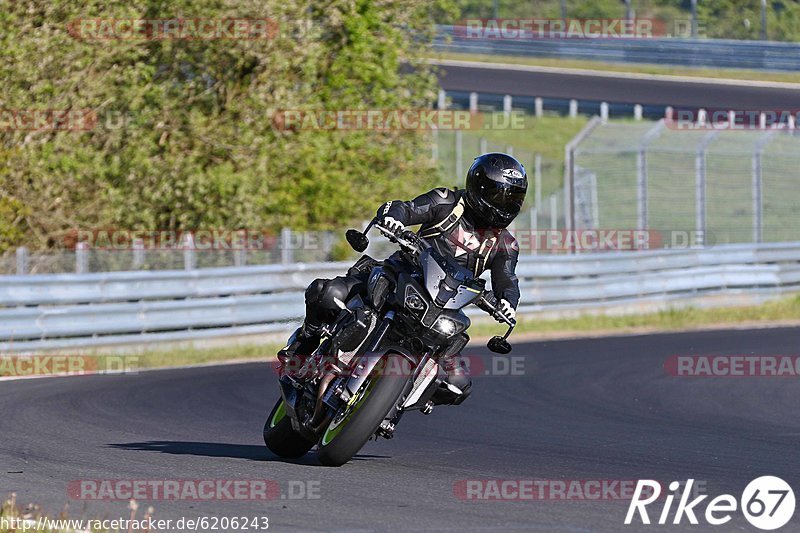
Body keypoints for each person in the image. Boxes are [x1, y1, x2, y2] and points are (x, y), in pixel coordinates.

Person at [279, 153, 528, 405]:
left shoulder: (505, 244)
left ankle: (392, 404)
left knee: (457, 385)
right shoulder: (447, 202)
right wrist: (394, 219)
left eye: (513, 198)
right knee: (328, 293)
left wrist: (507, 302)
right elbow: (406, 208)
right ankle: (302, 347)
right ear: (480, 187)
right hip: (400, 275)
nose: (505, 204)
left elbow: (507, 278)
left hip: (443, 308)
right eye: (500, 195)